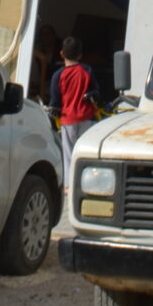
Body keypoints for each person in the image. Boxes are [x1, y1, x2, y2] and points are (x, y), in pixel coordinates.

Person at [53, 35, 98, 192]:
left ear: (62, 54)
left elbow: (55, 101)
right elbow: (96, 93)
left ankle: (69, 186)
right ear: (80, 55)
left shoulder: (58, 75)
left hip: (68, 119)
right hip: (87, 118)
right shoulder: (87, 70)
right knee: (86, 152)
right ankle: (88, 185)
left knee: (68, 154)